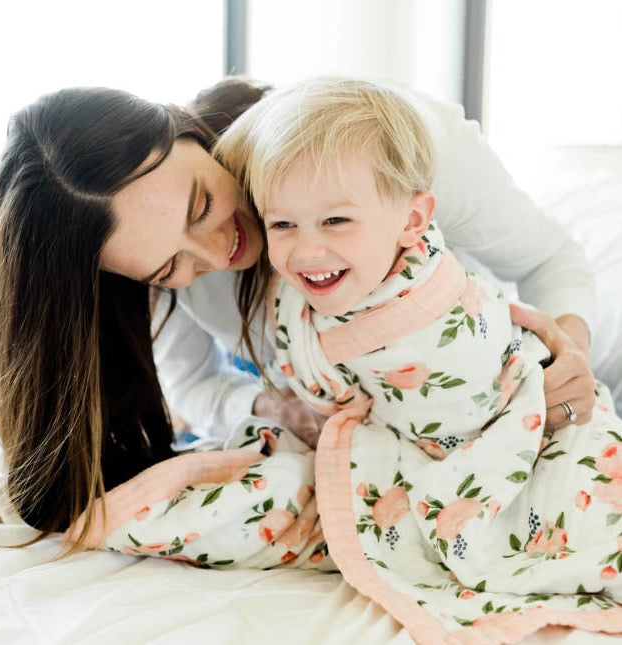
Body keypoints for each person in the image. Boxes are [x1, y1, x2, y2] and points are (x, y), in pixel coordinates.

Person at [0, 77, 595, 551]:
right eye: (165, 268)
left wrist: (568, 353)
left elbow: (551, 259)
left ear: (187, 129)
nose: (214, 253)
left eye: (201, 204)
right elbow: (193, 383)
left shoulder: (394, 136)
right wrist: (271, 407)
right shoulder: (150, 266)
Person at [209, 75, 622, 602]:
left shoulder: (437, 286)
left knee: (581, 498)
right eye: (283, 224)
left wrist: (569, 356)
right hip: (394, 442)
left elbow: (538, 289)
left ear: (413, 220)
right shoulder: (295, 299)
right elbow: (230, 384)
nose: (307, 249)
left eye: (335, 220)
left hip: (523, 410)